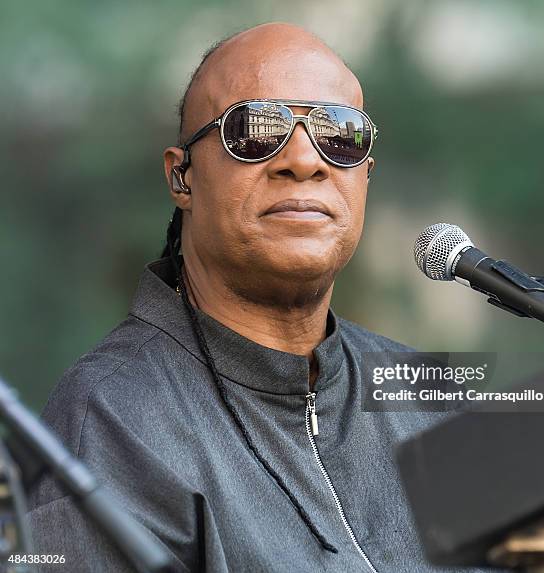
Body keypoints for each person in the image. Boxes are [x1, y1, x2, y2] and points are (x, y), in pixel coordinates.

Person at [27, 22, 466, 573]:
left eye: (340, 133)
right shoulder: (111, 416)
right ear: (181, 177)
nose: (305, 161)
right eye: (257, 129)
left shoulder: (423, 389)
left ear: (365, 177)